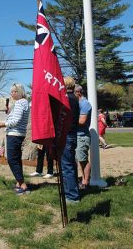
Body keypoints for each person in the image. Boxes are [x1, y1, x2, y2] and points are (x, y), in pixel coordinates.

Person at [0, 83, 30, 195]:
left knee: (11, 159)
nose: (12, 93)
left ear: (21, 92)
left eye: (15, 91)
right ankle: (18, 182)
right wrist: (10, 111)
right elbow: (14, 118)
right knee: (16, 159)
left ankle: (23, 184)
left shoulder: (21, 103)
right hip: (17, 133)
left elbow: (15, 121)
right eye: (11, 91)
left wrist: (0, 124)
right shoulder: (22, 103)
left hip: (15, 134)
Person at [61, 76, 80, 204]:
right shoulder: (75, 99)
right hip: (72, 134)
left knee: (67, 166)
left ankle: (72, 196)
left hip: (67, 135)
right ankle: (72, 191)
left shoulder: (67, 99)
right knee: (71, 165)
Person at [74, 85, 91, 190]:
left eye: (73, 92)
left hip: (82, 136)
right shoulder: (78, 103)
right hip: (76, 136)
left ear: (79, 92)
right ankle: (83, 180)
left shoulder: (84, 103)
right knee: (78, 159)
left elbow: (82, 121)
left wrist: (69, 119)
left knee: (83, 160)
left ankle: (85, 182)